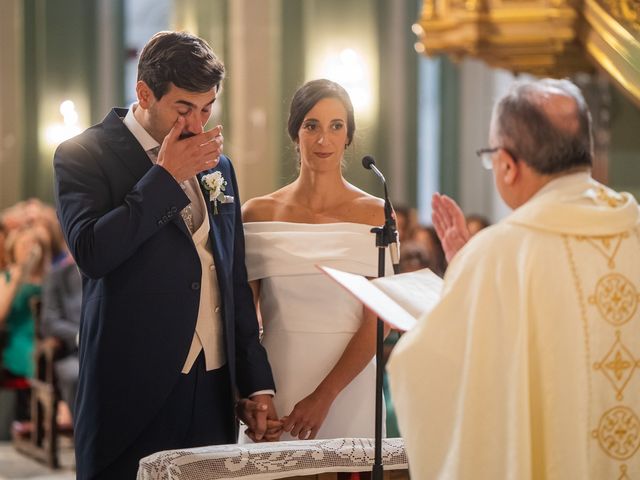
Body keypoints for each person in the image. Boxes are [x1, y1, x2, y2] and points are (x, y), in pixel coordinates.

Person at [388, 78, 640, 479]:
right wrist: (469, 271)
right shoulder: (633, 227)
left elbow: (428, 369)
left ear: (507, 164)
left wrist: (463, 282)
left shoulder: (501, 253)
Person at [53, 31, 276, 479]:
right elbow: (93, 253)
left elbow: (230, 278)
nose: (198, 124)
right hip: (129, 388)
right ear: (144, 93)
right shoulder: (83, 155)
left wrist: (256, 384)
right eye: (184, 108)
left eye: (207, 107)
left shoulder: (221, 167)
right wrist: (164, 177)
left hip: (213, 385)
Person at [242, 79, 390, 441]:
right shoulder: (257, 214)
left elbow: (380, 320)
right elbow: (241, 320)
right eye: (312, 126)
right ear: (295, 133)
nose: (324, 140)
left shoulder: (375, 214)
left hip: (349, 389)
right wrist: (250, 394)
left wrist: (325, 396)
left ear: (349, 137)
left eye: (336, 126)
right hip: (275, 386)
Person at [40, 252, 81, 422]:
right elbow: (50, 321)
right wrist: (80, 335)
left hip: (110, 350)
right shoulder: (58, 276)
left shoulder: (111, 275)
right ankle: (84, 435)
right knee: (75, 374)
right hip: (71, 351)